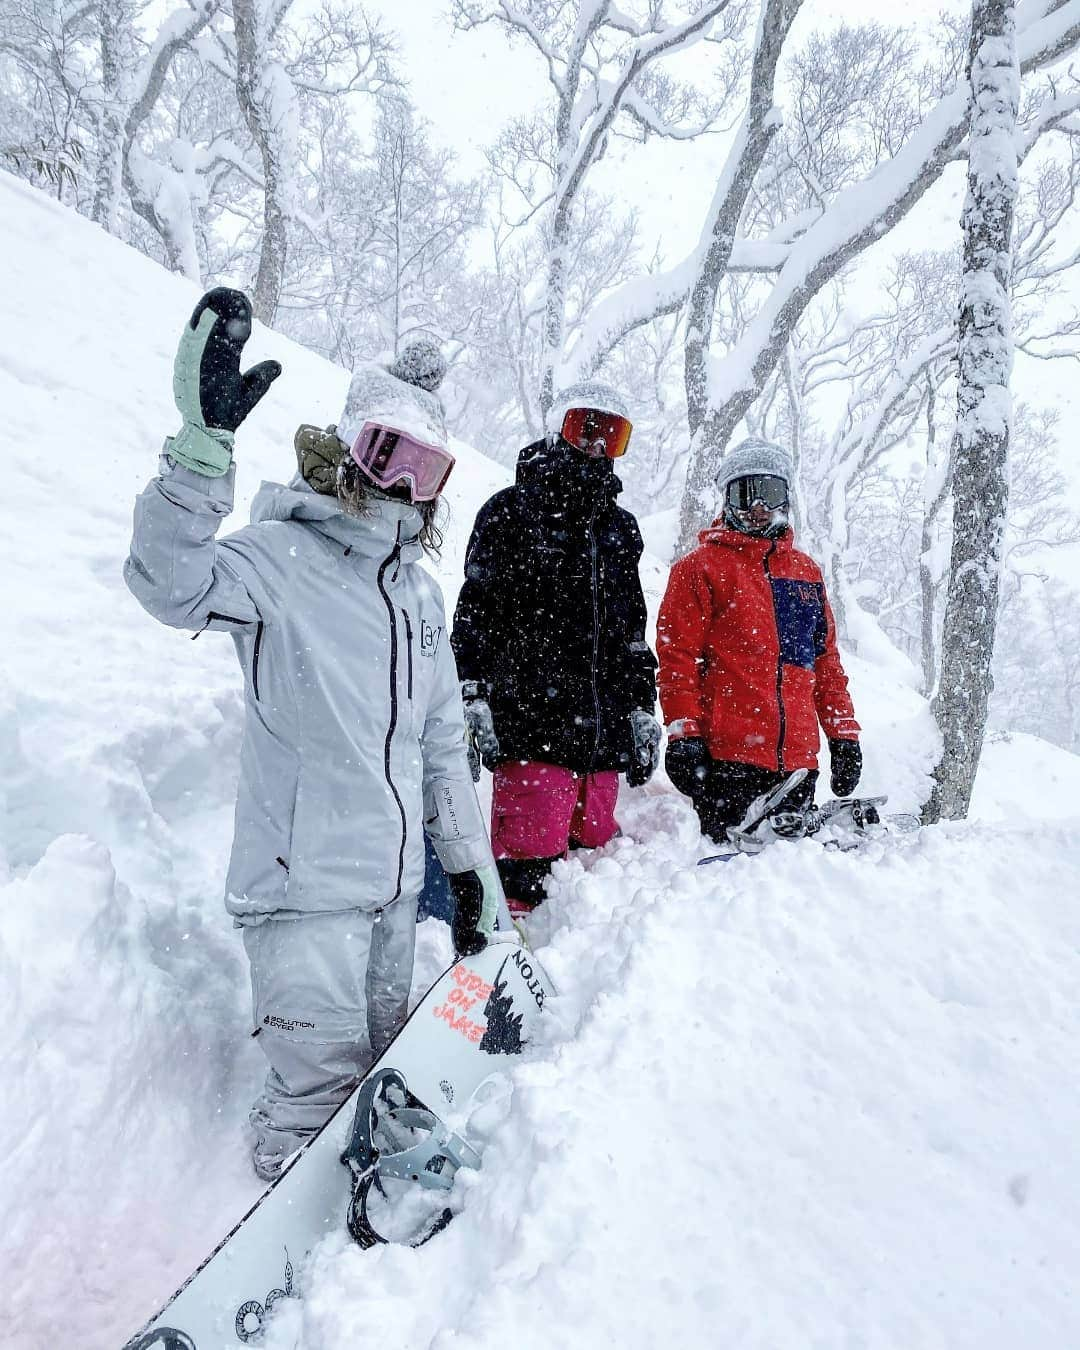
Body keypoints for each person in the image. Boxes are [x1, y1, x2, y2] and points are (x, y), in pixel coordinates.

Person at [125, 289, 500, 1181]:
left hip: (393, 896)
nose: (405, 486)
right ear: (348, 447)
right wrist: (200, 451)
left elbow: (442, 748)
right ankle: (296, 1273)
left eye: (428, 469)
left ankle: (366, 1241)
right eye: (389, 455)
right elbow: (167, 582)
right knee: (315, 1099)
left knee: (379, 1080)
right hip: (301, 896)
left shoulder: (419, 598)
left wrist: (472, 875)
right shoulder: (276, 558)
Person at [451, 381, 660, 916]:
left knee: (594, 874)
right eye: (583, 429)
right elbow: (474, 616)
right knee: (527, 875)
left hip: (602, 742)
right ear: (555, 429)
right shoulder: (508, 513)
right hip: (532, 732)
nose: (595, 447)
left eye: (611, 436)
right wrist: (472, 694)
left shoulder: (620, 529)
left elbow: (631, 631)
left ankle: (584, 984)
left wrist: (640, 708)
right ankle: (510, 965)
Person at [657, 437, 862, 843]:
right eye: (744, 492)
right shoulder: (699, 569)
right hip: (727, 759)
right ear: (726, 499)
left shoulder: (806, 574)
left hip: (799, 763)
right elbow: (677, 659)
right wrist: (683, 734)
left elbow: (826, 664)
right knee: (734, 881)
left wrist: (843, 735)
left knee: (790, 882)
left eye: (769, 492)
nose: (757, 506)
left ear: (786, 498)